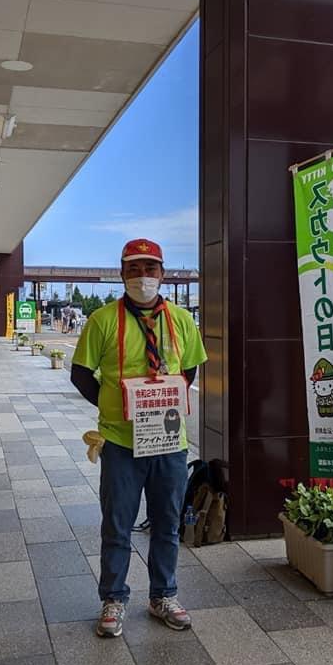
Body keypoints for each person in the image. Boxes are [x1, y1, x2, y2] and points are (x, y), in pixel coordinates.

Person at [70, 239, 207, 638]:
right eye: (134, 269)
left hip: (168, 442)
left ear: (162, 274)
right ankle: (113, 598)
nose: (143, 277)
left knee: (167, 522)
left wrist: (159, 401)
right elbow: (81, 373)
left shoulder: (181, 319)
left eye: (150, 269)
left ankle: (163, 594)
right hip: (121, 444)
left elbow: (190, 371)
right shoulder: (103, 320)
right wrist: (116, 405)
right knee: (117, 524)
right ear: (121, 273)